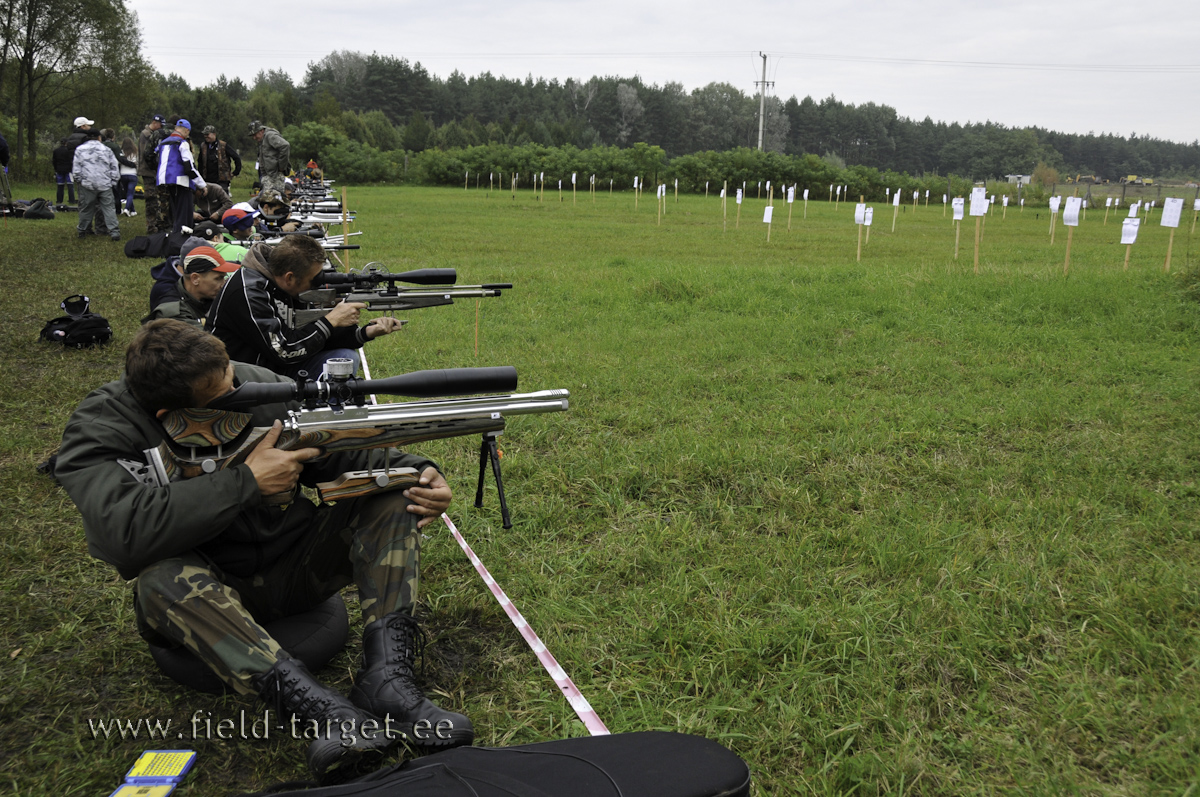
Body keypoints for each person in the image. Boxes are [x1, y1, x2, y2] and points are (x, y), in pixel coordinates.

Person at [55, 320, 472, 783]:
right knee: (159, 579)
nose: (240, 393)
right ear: (169, 413)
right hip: (207, 592)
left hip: (294, 567)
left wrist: (417, 469)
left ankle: (389, 681)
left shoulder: (256, 385)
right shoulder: (101, 427)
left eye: (233, 377)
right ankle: (321, 711)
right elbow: (120, 535)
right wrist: (246, 482)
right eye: (224, 396)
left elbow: (340, 450)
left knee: (393, 498)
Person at [207, 234, 403, 378]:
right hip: (240, 377)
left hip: (271, 366)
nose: (316, 284)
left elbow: (308, 335)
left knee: (344, 357)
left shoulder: (278, 283)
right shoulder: (249, 292)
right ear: (290, 277)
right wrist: (331, 320)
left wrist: (365, 332)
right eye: (313, 279)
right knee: (341, 362)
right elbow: (285, 351)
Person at [145, 238, 240, 327]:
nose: (223, 284)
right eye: (218, 278)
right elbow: (209, 341)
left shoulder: (204, 297)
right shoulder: (172, 311)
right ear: (195, 279)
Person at [156, 119, 206, 234]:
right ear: (187, 131)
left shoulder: (163, 143)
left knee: (173, 212)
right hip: (181, 182)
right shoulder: (182, 143)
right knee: (184, 214)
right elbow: (189, 167)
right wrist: (202, 184)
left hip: (163, 180)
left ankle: (172, 235)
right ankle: (181, 239)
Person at [72, 128, 120, 241]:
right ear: (99, 137)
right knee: (108, 208)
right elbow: (114, 166)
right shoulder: (107, 150)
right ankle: (114, 232)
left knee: (86, 208)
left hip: (87, 184)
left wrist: (79, 181)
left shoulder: (80, 150)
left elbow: (76, 168)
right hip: (105, 183)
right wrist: (113, 181)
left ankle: (82, 230)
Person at [138, 114, 167, 233]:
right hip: (148, 171)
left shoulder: (153, 134)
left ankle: (158, 223)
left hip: (154, 171)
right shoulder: (146, 134)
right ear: (154, 123)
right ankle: (151, 226)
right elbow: (148, 154)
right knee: (151, 199)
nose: (161, 129)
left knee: (157, 199)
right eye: (160, 126)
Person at [100, 129, 137, 214]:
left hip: (101, 171)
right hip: (112, 171)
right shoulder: (114, 146)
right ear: (113, 137)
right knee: (116, 192)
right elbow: (121, 159)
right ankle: (118, 209)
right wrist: (132, 164)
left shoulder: (101, 145)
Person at [248, 120, 290, 196]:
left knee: (273, 202)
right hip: (269, 177)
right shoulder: (262, 139)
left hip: (275, 177)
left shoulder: (269, 136)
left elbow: (285, 146)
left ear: (261, 131)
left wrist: (281, 166)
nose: (254, 138)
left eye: (255, 134)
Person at [197, 125, 241, 193]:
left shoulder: (223, 145)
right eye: (204, 134)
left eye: (207, 134)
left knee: (223, 201)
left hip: (222, 181)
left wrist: (236, 172)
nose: (205, 136)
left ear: (214, 134)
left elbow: (236, 157)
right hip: (207, 180)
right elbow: (200, 162)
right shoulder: (203, 146)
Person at [117, 137, 139, 216]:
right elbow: (137, 163)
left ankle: (132, 210)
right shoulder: (135, 152)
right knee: (130, 193)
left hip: (123, 174)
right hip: (132, 174)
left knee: (127, 193)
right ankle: (127, 209)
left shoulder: (121, 152)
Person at [52, 138, 77, 205]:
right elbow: (72, 161)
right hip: (68, 170)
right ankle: (72, 200)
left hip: (59, 170)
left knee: (60, 186)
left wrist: (56, 169)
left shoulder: (56, 151)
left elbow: (54, 161)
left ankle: (59, 200)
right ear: (66, 143)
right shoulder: (69, 151)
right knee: (70, 186)